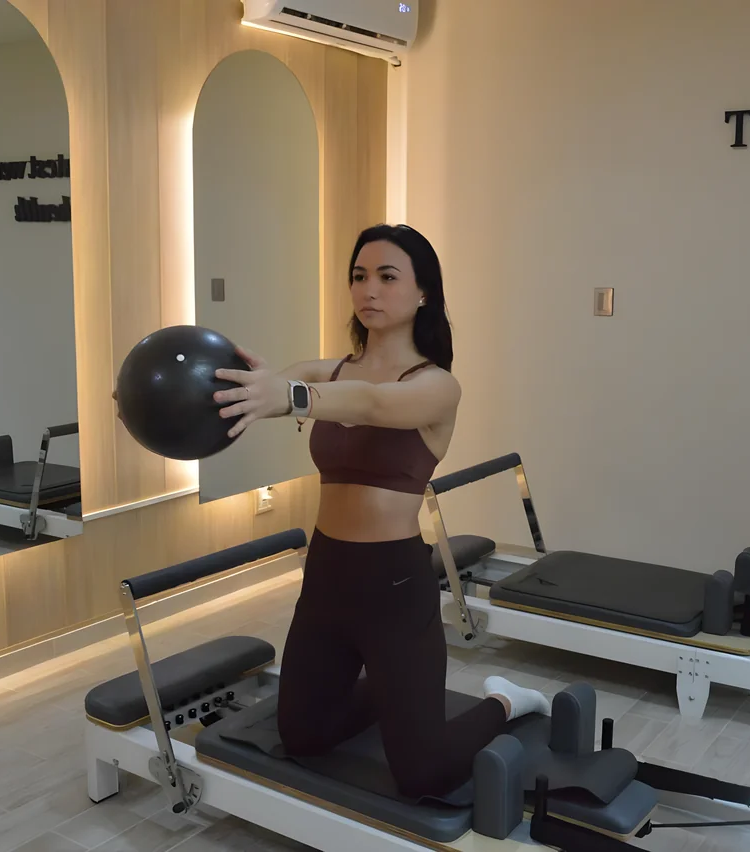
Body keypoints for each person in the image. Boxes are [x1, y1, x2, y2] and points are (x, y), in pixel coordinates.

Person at [209, 223, 550, 800]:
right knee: (303, 736)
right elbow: (254, 391)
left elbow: (371, 403)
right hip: (326, 577)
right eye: (359, 276)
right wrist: (162, 406)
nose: (369, 289)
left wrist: (290, 396)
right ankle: (390, 688)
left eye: (387, 277)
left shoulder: (438, 387)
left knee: (423, 774)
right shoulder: (326, 371)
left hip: (393, 585)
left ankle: (506, 702)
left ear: (423, 293)